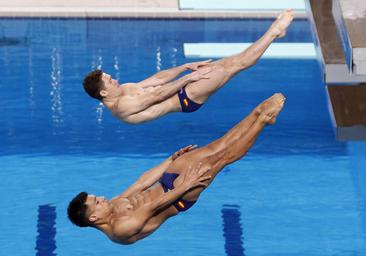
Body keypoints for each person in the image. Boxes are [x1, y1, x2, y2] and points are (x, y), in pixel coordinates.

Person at [68, 93, 285, 244]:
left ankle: (257, 113)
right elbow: (156, 205)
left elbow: (141, 183)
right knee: (222, 158)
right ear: (93, 218)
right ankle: (263, 120)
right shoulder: (121, 231)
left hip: (167, 182)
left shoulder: (113, 204)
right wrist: (187, 184)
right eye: (97, 202)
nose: (102, 198)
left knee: (215, 146)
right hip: (178, 197)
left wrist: (169, 161)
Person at [82, 10, 293, 124]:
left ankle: (273, 36)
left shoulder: (124, 90)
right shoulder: (122, 107)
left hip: (183, 87)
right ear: (103, 92)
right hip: (185, 98)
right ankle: (274, 31)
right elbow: (157, 96)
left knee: (232, 61)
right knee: (236, 65)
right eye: (110, 81)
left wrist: (185, 67)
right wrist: (188, 79)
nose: (115, 79)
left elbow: (157, 80)